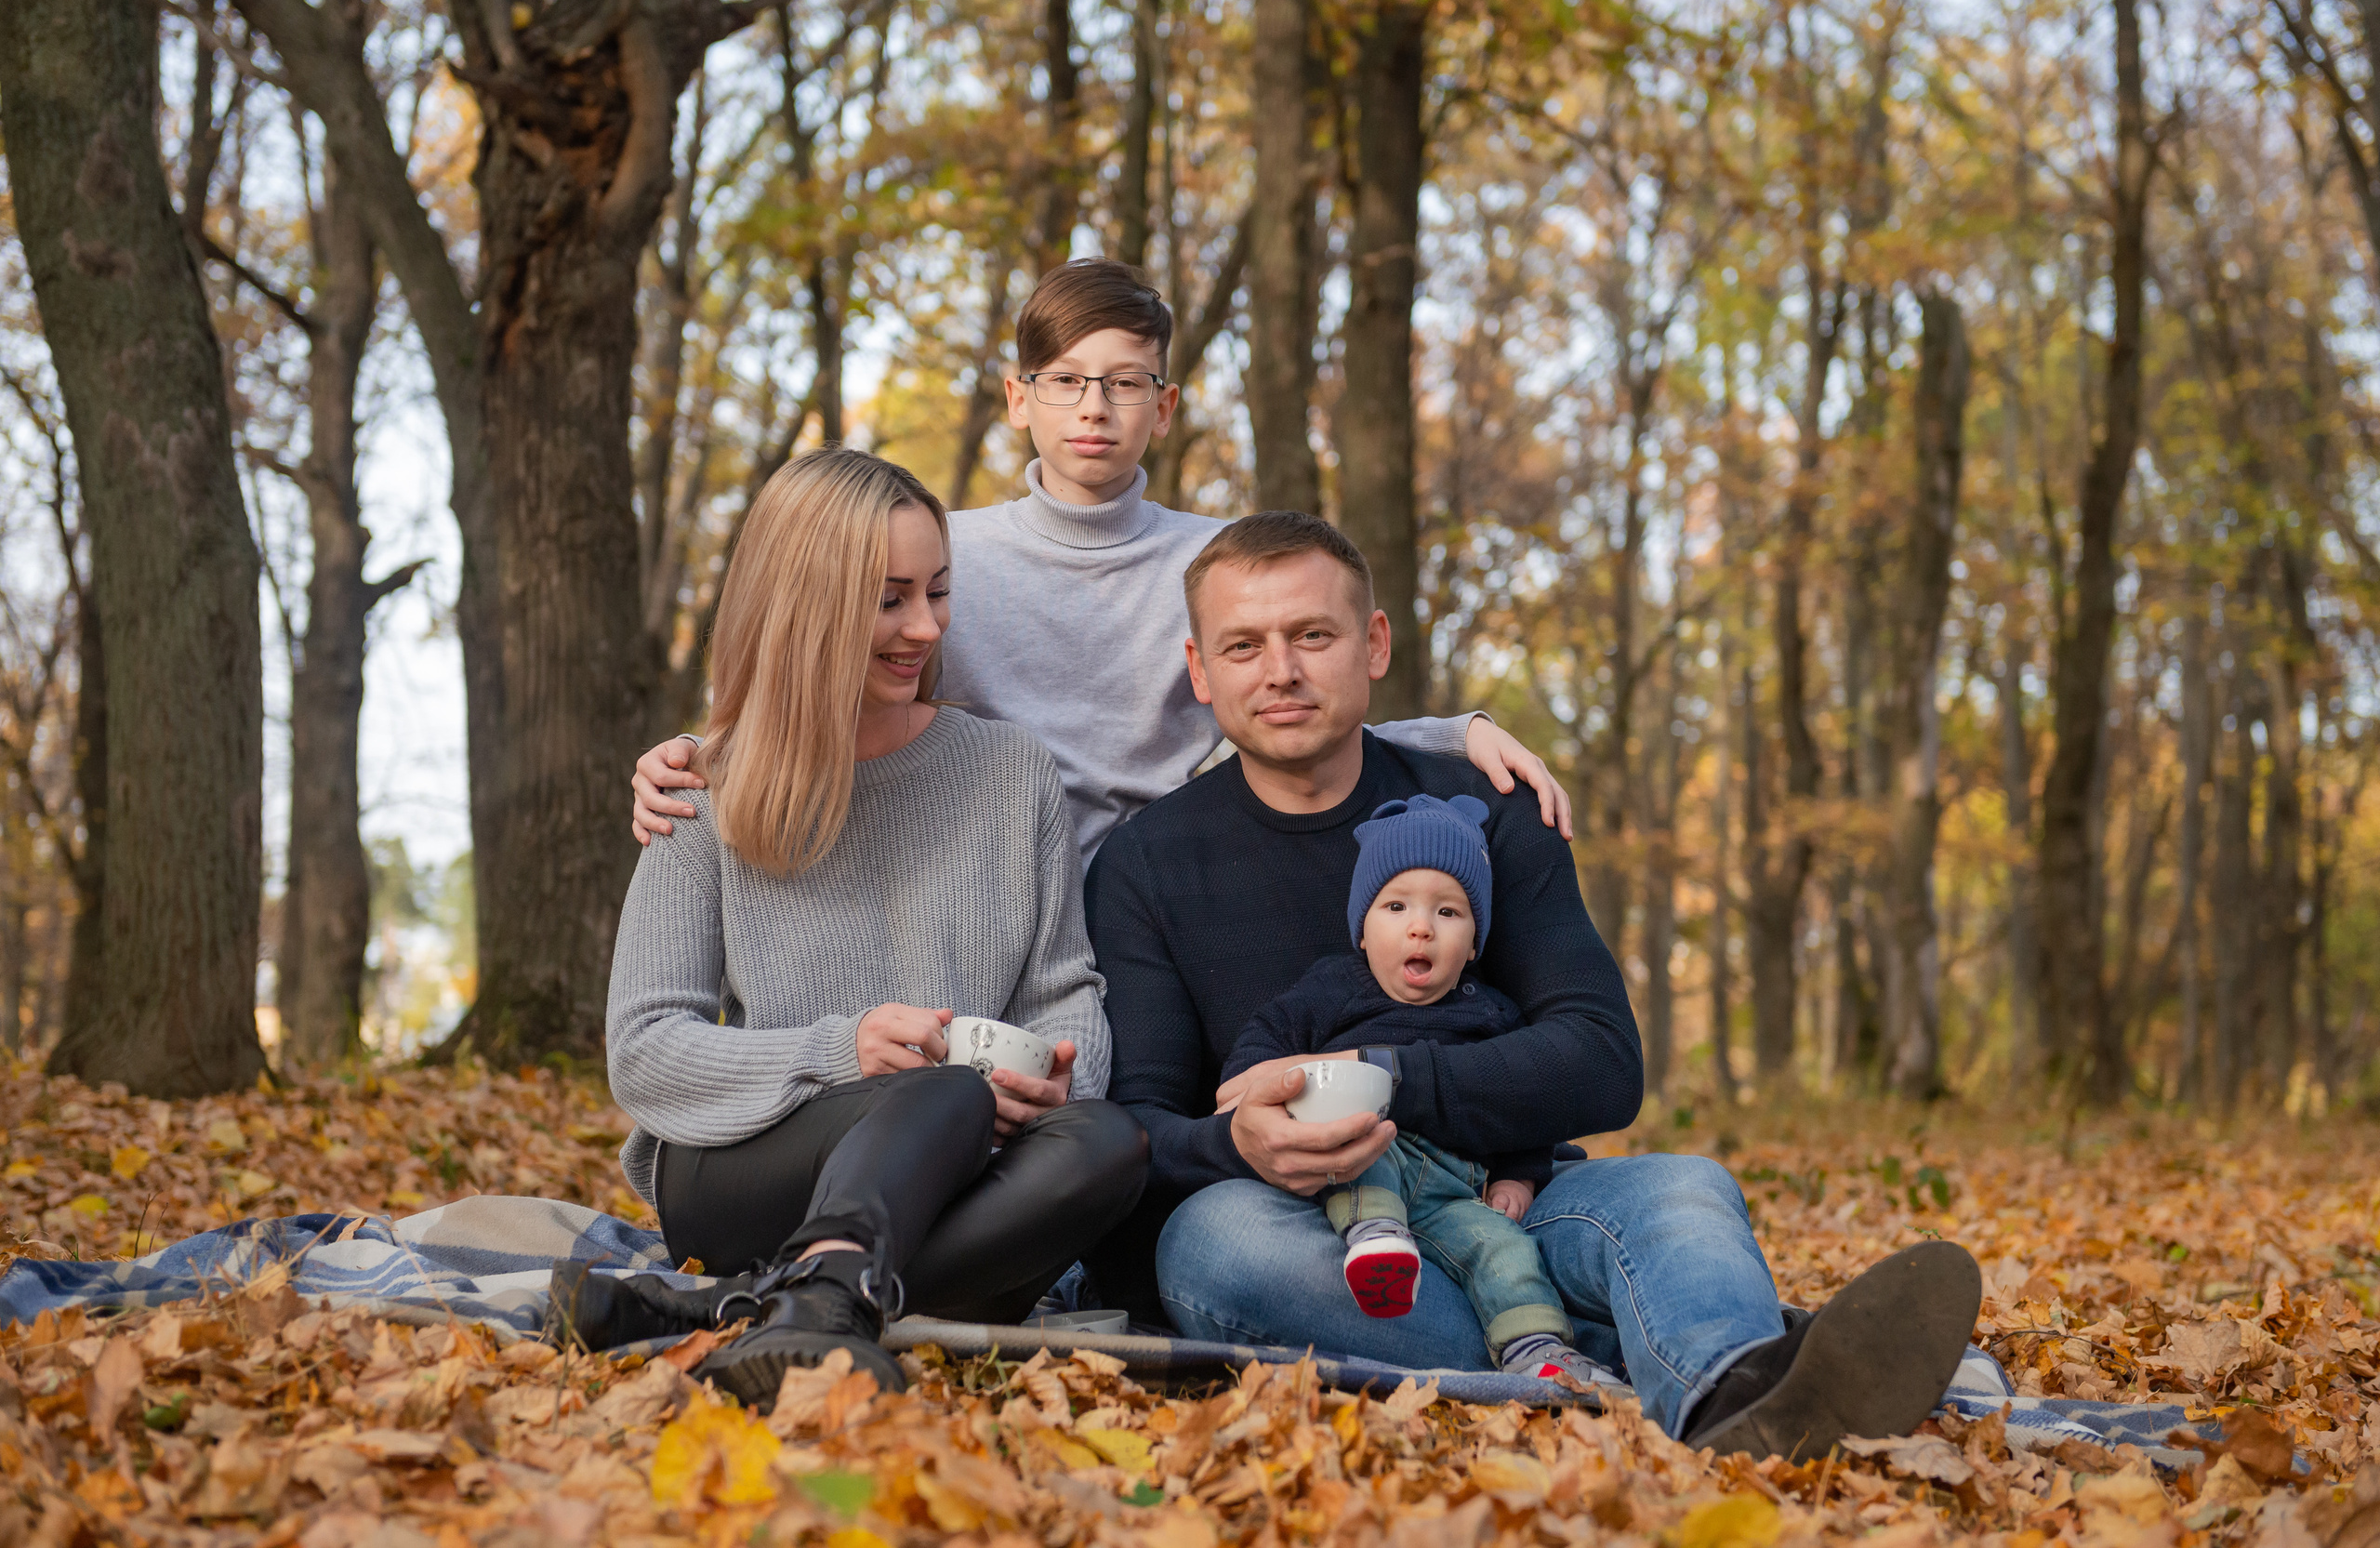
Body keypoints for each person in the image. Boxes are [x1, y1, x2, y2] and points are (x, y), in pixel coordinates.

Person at [1085, 510, 1981, 1461]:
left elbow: (1602, 1059)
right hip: (1313, 1228)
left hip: (1510, 1198)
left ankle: (1729, 1389)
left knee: (1684, 1186)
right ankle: (1662, 1356)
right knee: (1214, 1245)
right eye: (1244, 645)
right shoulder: (1147, 862)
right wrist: (1234, 1141)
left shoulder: (1488, 810)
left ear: (1373, 643)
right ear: (1200, 669)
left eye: (1312, 634)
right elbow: (1140, 1122)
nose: (1281, 670)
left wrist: (1383, 1074)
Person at [630, 258, 1574, 863]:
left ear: (1163, 407)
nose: (1094, 407)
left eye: (1125, 382)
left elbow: (1295, 710)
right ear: (1018, 398)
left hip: (1173, 884)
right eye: (1066, 380)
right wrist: (702, 751)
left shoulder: (1216, 561)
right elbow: (839, 692)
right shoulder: (941, 557)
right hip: (980, 881)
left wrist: (1456, 733)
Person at [591, 448, 1147, 1408]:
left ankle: (785, 1301)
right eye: (888, 599)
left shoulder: (1012, 773)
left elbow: (1064, 992)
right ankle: (818, 1281)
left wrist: (1056, 1079)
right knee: (943, 1091)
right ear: (803, 604)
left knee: (1110, 1143)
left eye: (937, 591)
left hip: (963, 1163)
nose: (925, 627)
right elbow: (643, 1052)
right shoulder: (700, 787)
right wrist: (840, 1051)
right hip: (745, 1165)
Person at [1216, 792, 1613, 1387]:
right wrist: (1248, 1085)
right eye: (1396, 906)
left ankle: (1539, 1352)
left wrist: (1519, 1176)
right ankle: (1378, 1241)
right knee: (1366, 1145)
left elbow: (1526, 1104)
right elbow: (1264, 1040)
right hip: (1362, 1156)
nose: (1420, 927)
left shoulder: (1492, 1014)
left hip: (1456, 1189)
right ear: (1362, 930)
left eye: (1448, 912)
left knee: (1504, 1249)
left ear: (1474, 943)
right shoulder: (1331, 989)